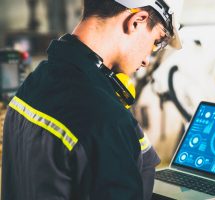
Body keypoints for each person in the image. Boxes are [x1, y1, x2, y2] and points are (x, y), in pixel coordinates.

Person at [1, 0, 181, 199]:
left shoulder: (32, 86)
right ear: (137, 21)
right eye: (157, 41)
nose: (147, 60)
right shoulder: (105, 119)